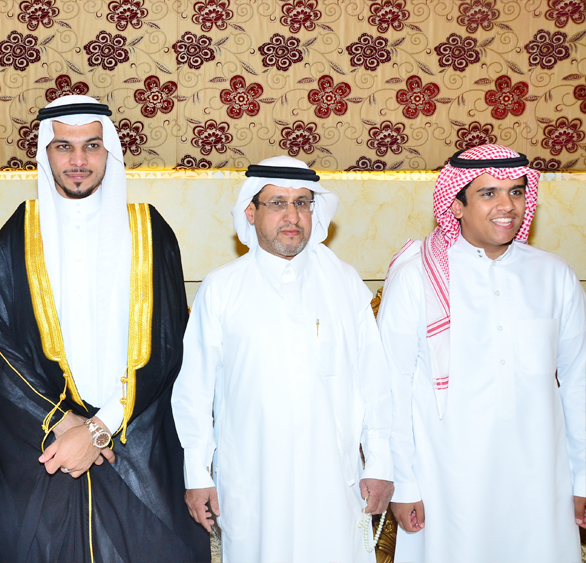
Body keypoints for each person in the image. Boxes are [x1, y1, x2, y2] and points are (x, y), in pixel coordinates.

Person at [0, 95, 209, 562]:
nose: (78, 160)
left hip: (135, 442)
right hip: (51, 445)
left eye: (91, 146)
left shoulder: (149, 232)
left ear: (109, 152)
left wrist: (100, 429)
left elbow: (167, 346)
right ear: (46, 153)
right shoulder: (18, 234)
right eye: (64, 146)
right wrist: (67, 425)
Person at [171, 156, 394, 563]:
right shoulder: (222, 288)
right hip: (254, 480)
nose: (292, 216)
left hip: (333, 481)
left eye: (302, 203)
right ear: (251, 212)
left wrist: (379, 464)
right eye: (277, 203)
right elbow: (194, 392)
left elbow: (375, 384)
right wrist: (197, 473)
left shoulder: (345, 283)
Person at [377, 144, 586, 563]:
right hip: (447, 481)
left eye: (516, 192)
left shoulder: (554, 274)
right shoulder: (416, 277)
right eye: (489, 193)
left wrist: (582, 478)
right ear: (456, 205)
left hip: (540, 479)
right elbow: (390, 388)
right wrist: (404, 482)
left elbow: (579, 382)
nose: (507, 206)